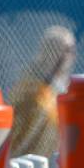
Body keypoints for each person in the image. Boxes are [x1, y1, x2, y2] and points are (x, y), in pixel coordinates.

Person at [9, 26, 76, 158]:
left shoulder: (59, 87)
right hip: (25, 166)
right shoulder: (30, 87)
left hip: (50, 165)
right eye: (64, 50)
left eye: (70, 51)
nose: (67, 56)